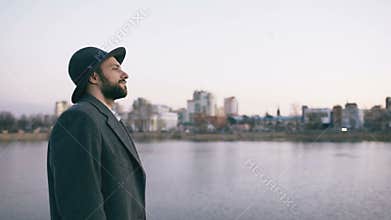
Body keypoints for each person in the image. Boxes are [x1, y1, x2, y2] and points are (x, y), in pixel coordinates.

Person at [47, 46, 146, 220]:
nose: (125, 74)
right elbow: (81, 208)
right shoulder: (79, 119)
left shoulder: (105, 118)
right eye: (115, 68)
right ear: (94, 77)